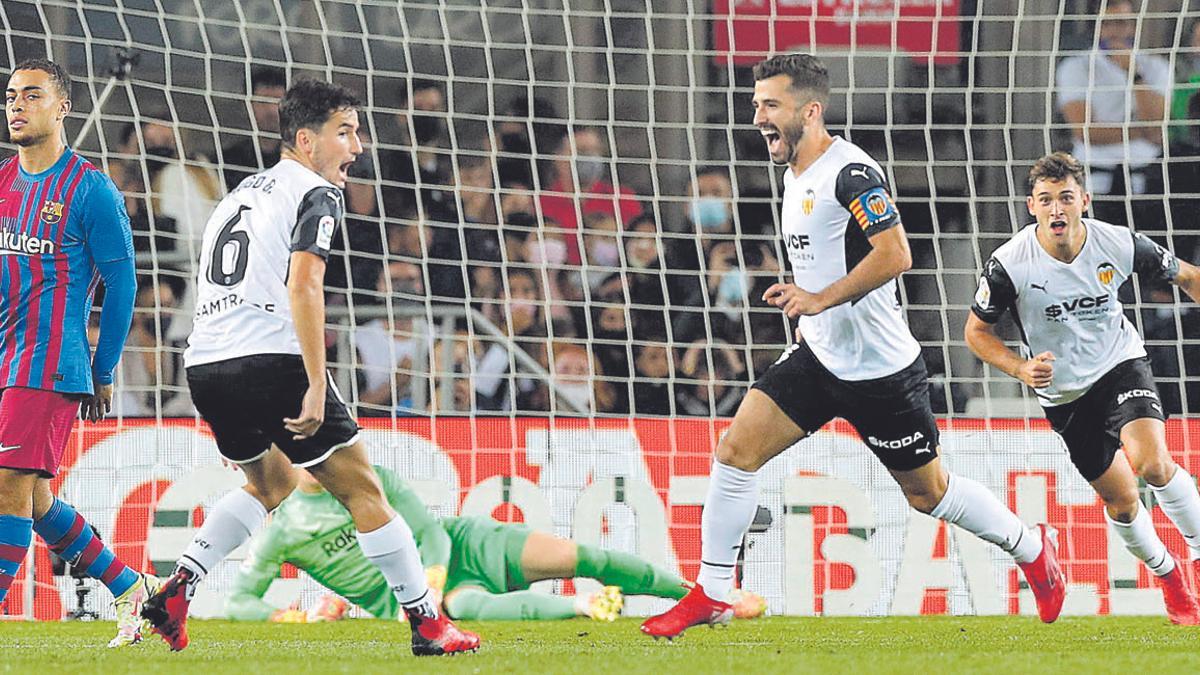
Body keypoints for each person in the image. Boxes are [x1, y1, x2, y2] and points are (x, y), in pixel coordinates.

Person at [641, 53, 1064, 639]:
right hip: (819, 357)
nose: (758, 117)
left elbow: (896, 253)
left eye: (771, 105)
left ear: (809, 111)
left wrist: (821, 299)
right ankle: (712, 593)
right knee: (735, 451)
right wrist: (810, 313)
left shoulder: (852, 174)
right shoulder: (793, 174)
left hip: (881, 371)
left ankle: (1030, 545)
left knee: (929, 494)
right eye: (755, 104)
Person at [139, 78, 479, 657]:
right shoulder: (316, 192)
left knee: (270, 483)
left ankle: (182, 584)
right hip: (270, 356)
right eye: (344, 133)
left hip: (207, 363)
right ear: (305, 139)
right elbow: (306, 282)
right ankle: (427, 623)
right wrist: (317, 383)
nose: (358, 147)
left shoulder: (238, 193)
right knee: (366, 493)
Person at [964, 152, 1200, 625]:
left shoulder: (1118, 243)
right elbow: (975, 332)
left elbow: (1189, 276)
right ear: (1032, 206)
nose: (1057, 210)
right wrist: (1020, 368)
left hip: (1119, 364)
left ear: (1084, 202)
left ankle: (1197, 553)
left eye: (1066, 198)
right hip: (1066, 394)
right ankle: (1170, 575)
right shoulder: (1009, 265)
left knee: (1151, 463)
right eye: (1046, 200)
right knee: (1122, 500)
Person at [0, 59, 160, 647]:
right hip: (4, 360)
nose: (16, 105)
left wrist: (103, 368)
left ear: (62, 107)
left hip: (47, 364)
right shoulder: (2, 183)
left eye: (32, 95)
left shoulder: (90, 189)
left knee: (8, 491)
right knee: (37, 501)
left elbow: (122, 284)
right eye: (11, 95)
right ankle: (130, 588)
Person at [225, 466, 756, 623]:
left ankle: (701, 597)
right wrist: (291, 618)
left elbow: (429, 530)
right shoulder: (282, 530)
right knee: (471, 606)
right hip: (418, 602)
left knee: (580, 556)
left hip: (465, 547)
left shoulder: (369, 475)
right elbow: (238, 601)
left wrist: (430, 575)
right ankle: (583, 605)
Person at [1055, 0, 1171, 225]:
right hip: (1093, 180)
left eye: (1121, 23)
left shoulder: (1156, 67)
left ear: (1134, 25)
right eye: (1107, 23)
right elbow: (1086, 132)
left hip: (1147, 180)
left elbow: (1157, 124)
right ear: (1096, 26)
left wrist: (1134, 74)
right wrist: (1143, 131)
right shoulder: (1075, 67)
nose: (1115, 31)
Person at [221, 66, 287, 191]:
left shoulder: (300, 159)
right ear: (248, 105)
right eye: (263, 101)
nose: (271, 110)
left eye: (278, 101)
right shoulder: (230, 160)